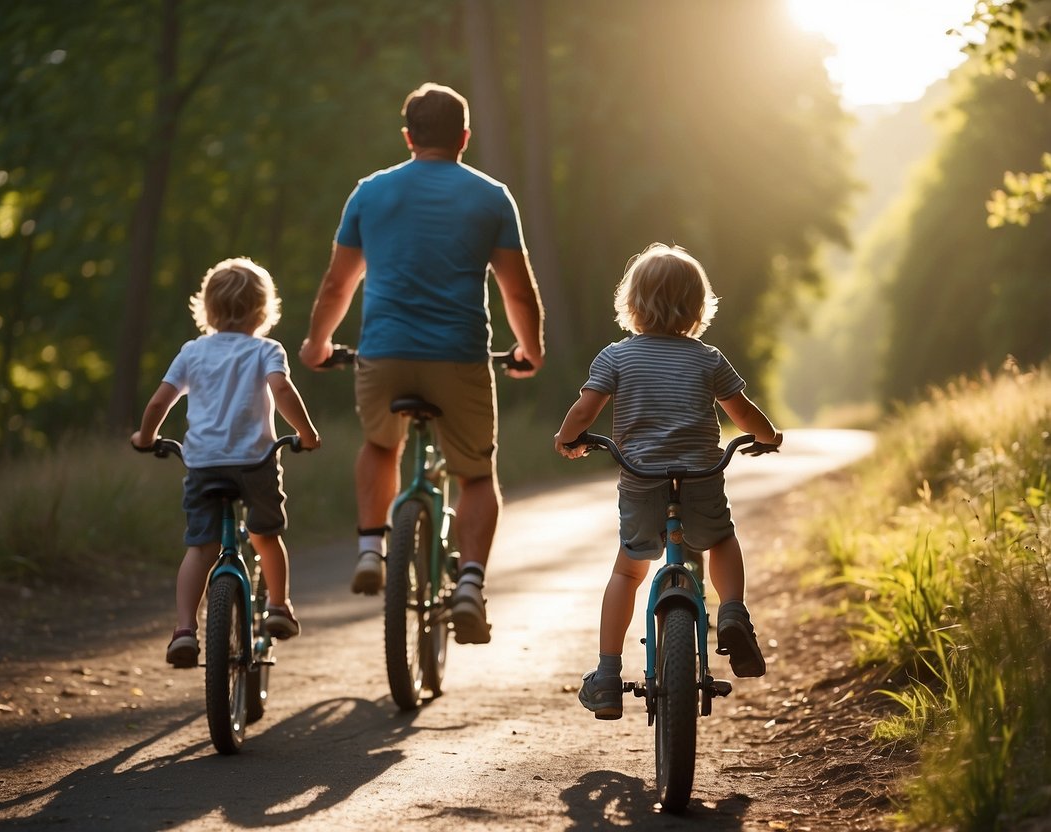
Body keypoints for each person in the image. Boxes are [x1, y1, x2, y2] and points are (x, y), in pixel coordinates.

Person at [298, 82, 545, 645]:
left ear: (408, 137)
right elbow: (518, 293)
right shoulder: (491, 196)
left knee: (382, 445)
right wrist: (530, 348)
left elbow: (339, 283)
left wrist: (316, 344)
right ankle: (470, 586)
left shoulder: (370, 193)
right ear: (464, 137)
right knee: (477, 475)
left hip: (383, 354)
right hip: (458, 357)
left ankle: (369, 548)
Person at [553, 242, 782, 719]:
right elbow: (741, 412)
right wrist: (767, 435)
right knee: (719, 539)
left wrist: (569, 436)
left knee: (627, 570)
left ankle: (609, 675)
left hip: (641, 479)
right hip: (700, 475)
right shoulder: (708, 359)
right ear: (698, 308)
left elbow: (585, 408)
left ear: (632, 304)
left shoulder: (616, 357)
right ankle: (734, 612)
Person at [132, 257, 321, 668]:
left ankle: (184, 629)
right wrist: (306, 433)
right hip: (255, 461)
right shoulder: (266, 349)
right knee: (265, 535)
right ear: (264, 311)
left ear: (207, 310)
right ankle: (278, 606)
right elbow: (283, 390)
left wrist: (145, 438)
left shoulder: (192, 352)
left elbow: (159, 401)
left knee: (200, 548)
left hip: (202, 464)